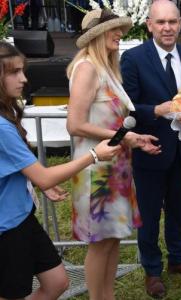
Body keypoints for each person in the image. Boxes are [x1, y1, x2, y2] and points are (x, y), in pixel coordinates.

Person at [0, 41, 121, 300]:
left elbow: (16, 165)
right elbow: (42, 174)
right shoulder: (1, 126)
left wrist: (38, 181)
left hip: (20, 215)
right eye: (13, 72)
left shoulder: (6, 111)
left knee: (57, 282)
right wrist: (93, 155)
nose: (23, 79)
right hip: (6, 226)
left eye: (22, 70)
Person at [66, 8, 161, 299]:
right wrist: (122, 137)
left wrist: (131, 139)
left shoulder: (106, 67)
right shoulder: (87, 68)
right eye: (113, 30)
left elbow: (110, 124)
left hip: (115, 168)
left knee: (112, 240)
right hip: (97, 171)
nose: (120, 34)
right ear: (97, 35)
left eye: (120, 29)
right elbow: (75, 125)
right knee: (100, 243)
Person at [120, 0, 181, 298]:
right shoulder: (133, 58)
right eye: (161, 22)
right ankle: (152, 270)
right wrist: (156, 110)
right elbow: (128, 108)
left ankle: (178, 259)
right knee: (148, 214)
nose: (167, 28)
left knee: (177, 209)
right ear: (149, 25)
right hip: (151, 149)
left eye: (172, 22)